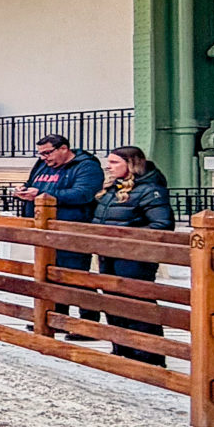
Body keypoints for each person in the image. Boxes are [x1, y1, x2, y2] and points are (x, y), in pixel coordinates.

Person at [89, 146, 173, 365]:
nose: (109, 166)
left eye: (115, 162)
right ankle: (121, 347)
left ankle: (148, 354)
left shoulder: (150, 190)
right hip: (109, 253)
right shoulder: (111, 189)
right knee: (112, 301)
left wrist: (125, 237)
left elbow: (162, 224)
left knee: (136, 303)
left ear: (131, 163)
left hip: (135, 256)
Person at [17, 132, 102, 273]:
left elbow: (82, 194)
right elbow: (32, 183)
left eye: (47, 153)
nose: (44, 158)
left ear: (63, 148)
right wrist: (23, 190)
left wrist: (40, 194)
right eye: (41, 154)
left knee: (71, 275)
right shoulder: (42, 165)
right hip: (43, 229)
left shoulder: (86, 166)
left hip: (71, 231)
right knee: (45, 272)